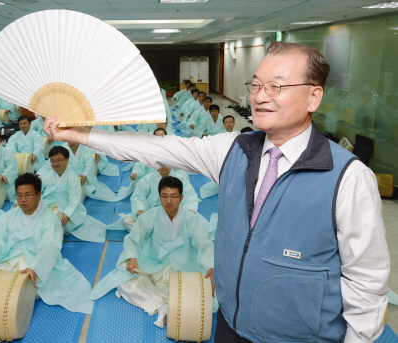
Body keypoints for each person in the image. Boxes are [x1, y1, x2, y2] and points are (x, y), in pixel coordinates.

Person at [44, 41, 390, 343]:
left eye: (276, 86)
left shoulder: (349, 177)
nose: (259, 96)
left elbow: (367, 281)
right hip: (229, 325)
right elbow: (155, 149)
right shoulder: (232, 150)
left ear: (314, 96)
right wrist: (78, 135)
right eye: (255, 84)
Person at [90, 176, 215, 327]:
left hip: (183, 266)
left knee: (207, 289)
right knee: (123, 281)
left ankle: (166, 304)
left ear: (181, 198)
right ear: (159, 197)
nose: (169, 201)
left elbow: (204, 243)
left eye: (174, 196)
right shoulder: (151, 215)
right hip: (155, 264)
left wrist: (210, 266)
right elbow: (134, 237)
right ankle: (165, 305)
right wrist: (131, 256)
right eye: (164, 196)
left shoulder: (190, 218)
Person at [0, 173, 94, 314]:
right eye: (19, 195)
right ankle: (14, 290)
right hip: (8, 258)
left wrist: (35, 268)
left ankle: (10, 288)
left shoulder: (50, 219)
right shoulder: (8, 216)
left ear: (38, 195)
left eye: (28, 195)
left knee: (31, 282)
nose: (23, 200)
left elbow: (49, 247)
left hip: (33, 260)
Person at [39, 146, 106, 242]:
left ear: (67, 160)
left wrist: (67, 214)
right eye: (52, 161)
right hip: (49, 206)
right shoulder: (48, 176)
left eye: (59, 160)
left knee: (50, 227)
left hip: (66, 210)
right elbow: (35, 190)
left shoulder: (73, 178)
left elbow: (74, 200)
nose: (55, 164)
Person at [38, 142, 116, 202]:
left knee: (73, 195)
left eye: (73, 141)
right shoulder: (62, 150)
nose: (71, 143)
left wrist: (85, 175)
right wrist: (39, 174)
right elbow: (49, 164)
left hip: (80, 179)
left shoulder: (85, 152)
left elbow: (89, 166)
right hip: (64, 177)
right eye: (69, 141)